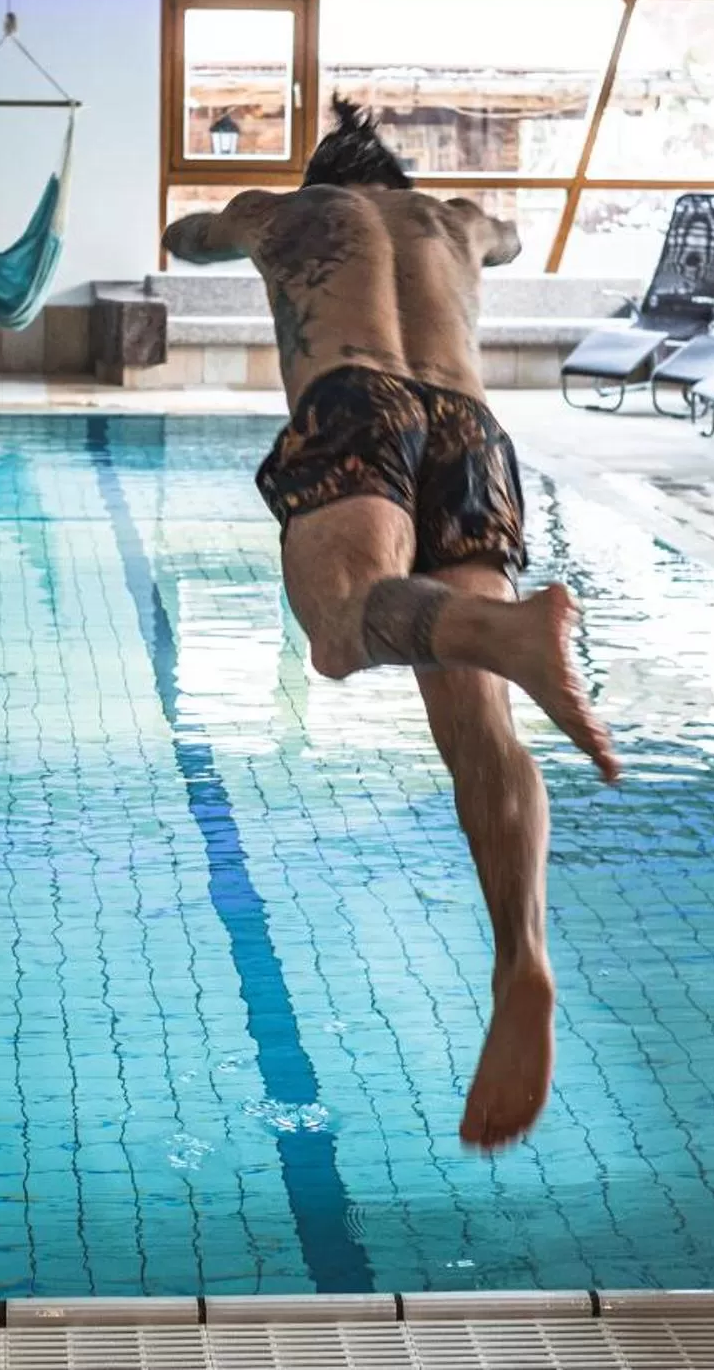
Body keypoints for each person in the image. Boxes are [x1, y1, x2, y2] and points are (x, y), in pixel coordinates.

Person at [163, 100, 621, 1151]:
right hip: (475, 429)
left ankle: (507, 635)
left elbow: (188, 238)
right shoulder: (454, 221)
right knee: (479, 728)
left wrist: (230, 228)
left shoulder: (282, 211)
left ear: (321, 175)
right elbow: (512, 237)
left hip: (356, 400)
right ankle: (522, 957)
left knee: (338, 628)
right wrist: (465, 231)